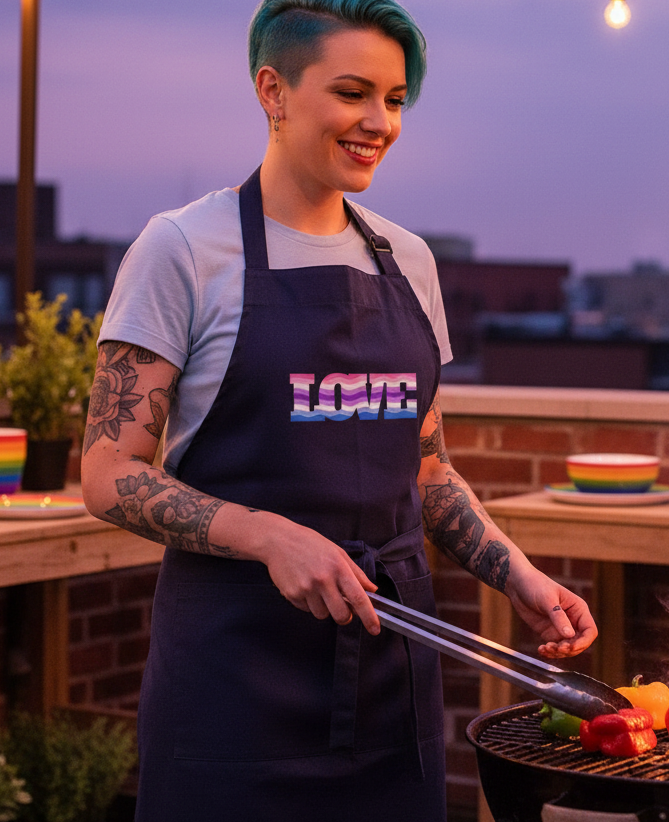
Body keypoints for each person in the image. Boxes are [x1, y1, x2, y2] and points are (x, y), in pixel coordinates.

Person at [81, 1, 598, 819]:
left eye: (394, 99)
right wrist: (269, 534)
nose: (378, 122)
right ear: (273, 91)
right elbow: (109, 474)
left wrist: (518, 574)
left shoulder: (410, 261)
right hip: (233, 682)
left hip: (393, 682)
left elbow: (426, 471)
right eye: (353, 92)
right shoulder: (181, 249)